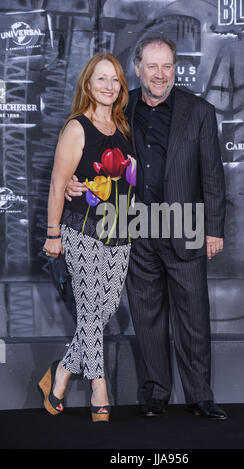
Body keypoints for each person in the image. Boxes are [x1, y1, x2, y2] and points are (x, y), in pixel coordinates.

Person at [65, 37, 227, 420]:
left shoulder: (199, 111)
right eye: (152, 66)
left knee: (193, 317)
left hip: (185, 225)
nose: (159, 74)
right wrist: (76, 181)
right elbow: (92, 148)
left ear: (175, 69)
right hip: (135, 226)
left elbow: (213, 175)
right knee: (147, 316)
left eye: (167, 66)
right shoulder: (122, 107)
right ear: (137, 69)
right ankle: (155, 393)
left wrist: (214, 229)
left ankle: (200, 396)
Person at [38, 52, 135, 422]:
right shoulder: (77, 127)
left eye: (114, 80)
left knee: (102, 311)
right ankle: (99, 388)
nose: (109, 86)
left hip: (120, 232)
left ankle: (60, 373)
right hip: (81, 231)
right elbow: (58, 185)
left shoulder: (125, 128)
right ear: (88, 85)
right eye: (101, 79)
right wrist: (52, 234)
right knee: (91, 311)